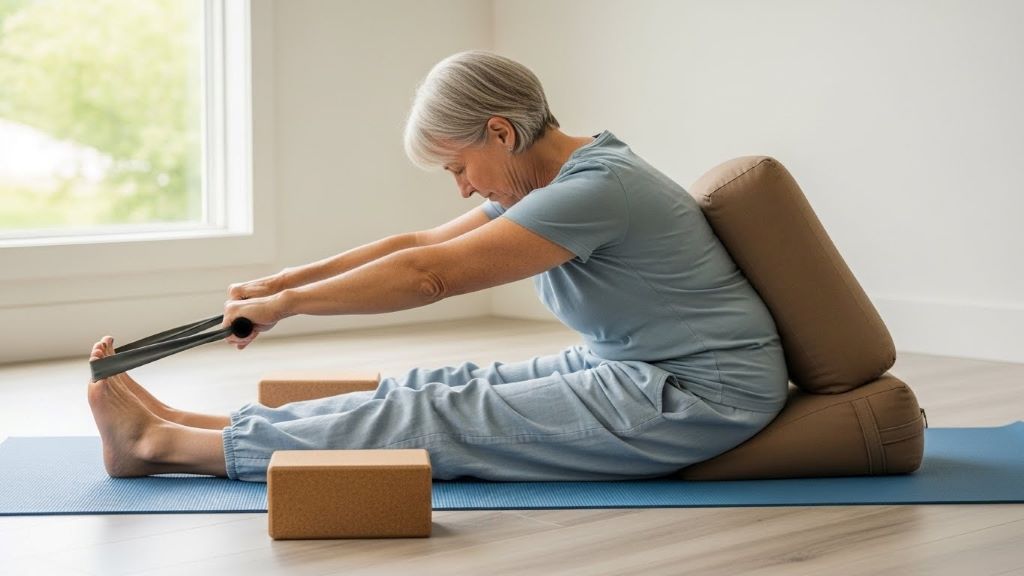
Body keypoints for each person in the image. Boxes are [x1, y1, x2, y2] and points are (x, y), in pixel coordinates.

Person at [86, 50, 788, 481]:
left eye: (460, 166)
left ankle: (161, 445)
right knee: (435, 384)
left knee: (440, 417)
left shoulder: (594, 191)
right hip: (642, 368)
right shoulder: (558, 177)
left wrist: (287, 309)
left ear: (503, 133)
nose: (462, 187)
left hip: (695, 397)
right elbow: (417, 245)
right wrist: (281, 284)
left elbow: (433, 277)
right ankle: (199, 426)